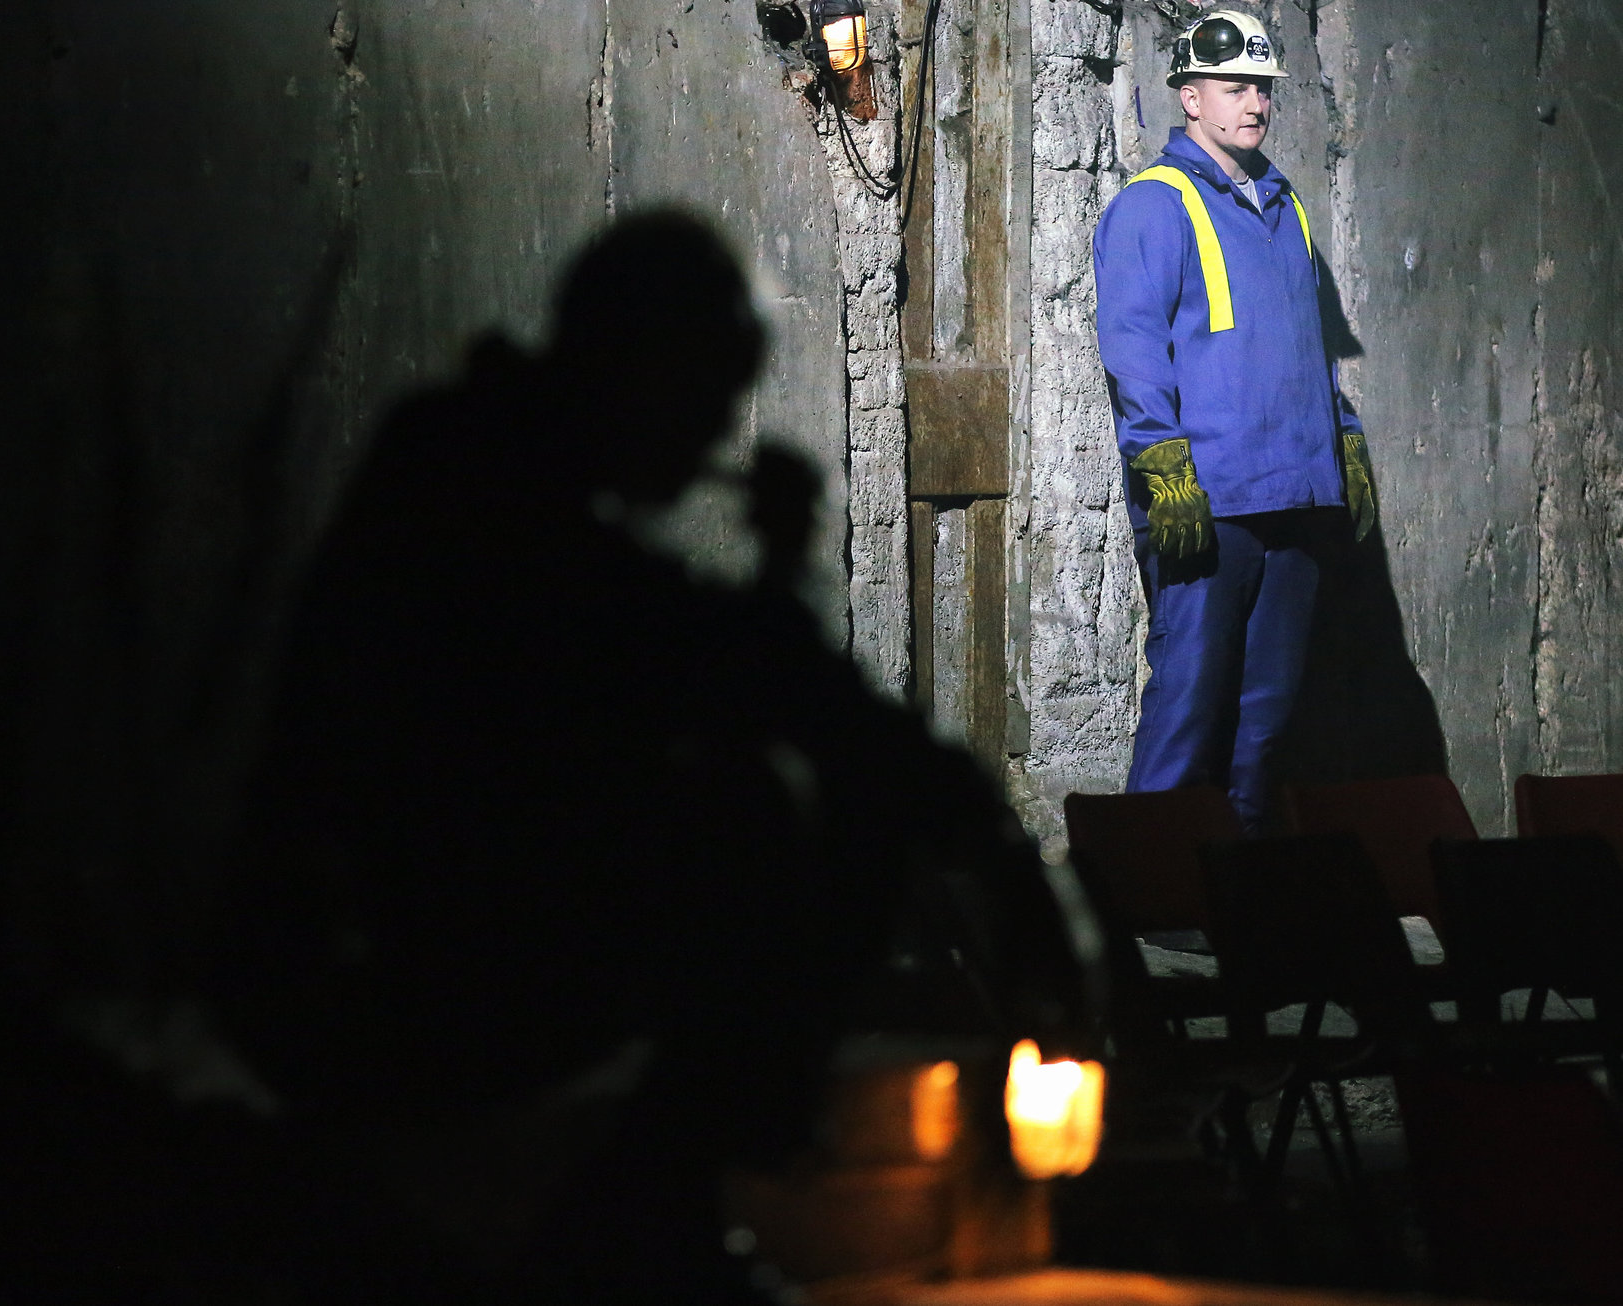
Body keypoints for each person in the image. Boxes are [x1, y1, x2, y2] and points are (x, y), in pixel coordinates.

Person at [226, 213, 1097, 1303]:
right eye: (706, 398)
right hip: (391, 938)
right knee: (755, 814)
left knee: (785, 797)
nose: (713, 438)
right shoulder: (472, 480)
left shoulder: (497, 461)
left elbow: (726, 663)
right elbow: (703, 657)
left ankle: (672, 1193)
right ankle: (661, 1196)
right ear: (635, 364)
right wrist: (787, 593)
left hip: (453, 905)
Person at [1095, 9, 1378, 834]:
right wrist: (1160, 464)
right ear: (1189, 96)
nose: (1254, 102)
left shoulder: (1284, 206)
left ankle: (1248, 885)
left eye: (1261, 87)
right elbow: (1134, 349)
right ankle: (1153, 897)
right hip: (1210, 498)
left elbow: (1308, 343)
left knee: (1269, 715)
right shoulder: (1156, 204)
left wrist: (1345, 444)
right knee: (1190, 701)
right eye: (1234, 87)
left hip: (1294, 494)